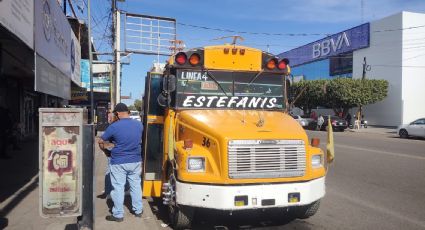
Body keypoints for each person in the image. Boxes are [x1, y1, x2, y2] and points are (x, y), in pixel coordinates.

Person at [98, 103, 143, 222]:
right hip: (136, 161)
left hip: (119, 161)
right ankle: (138, 210)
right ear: (127, 112)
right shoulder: (139, 125)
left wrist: (107, 152)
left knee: (118, 187)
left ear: (117, 114)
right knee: (136, 185)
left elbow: (101, 141)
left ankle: (118, 214)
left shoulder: (114, 126)